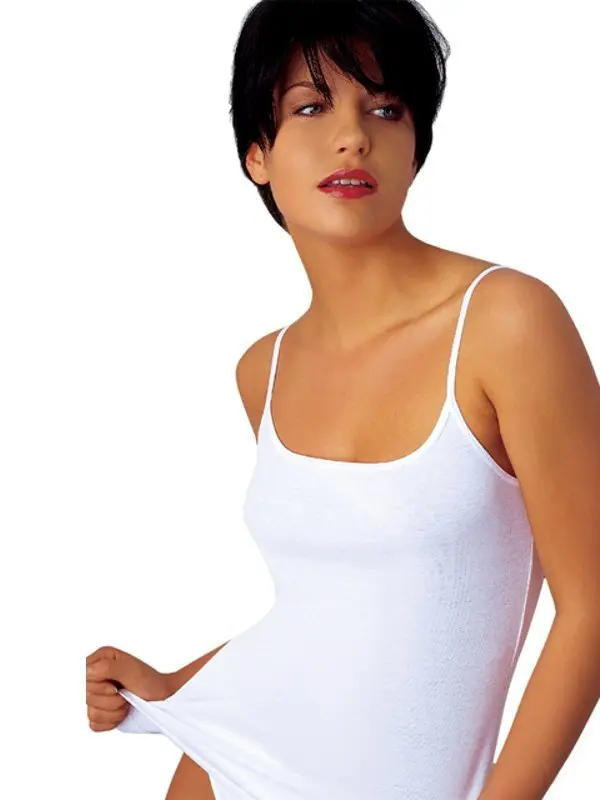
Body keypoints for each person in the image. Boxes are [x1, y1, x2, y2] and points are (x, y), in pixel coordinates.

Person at [86, 2, 600, 799]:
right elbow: (331, 616)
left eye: (385, 109)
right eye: (311, 106)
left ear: (415, 147)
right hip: (224, 771)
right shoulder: (265, 370)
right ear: (258, 154)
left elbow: (592, 607)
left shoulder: (505, 322)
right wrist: (172, 685)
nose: (353, 136)